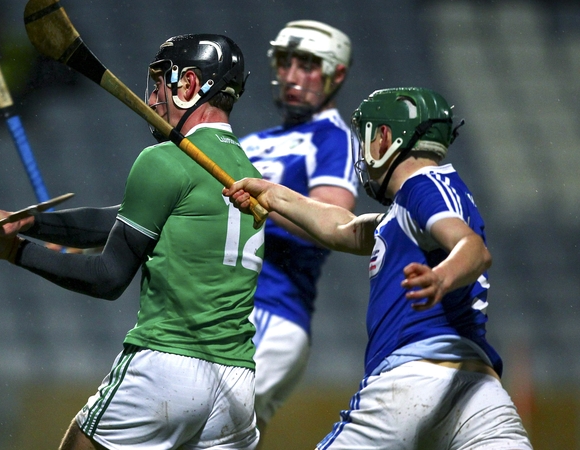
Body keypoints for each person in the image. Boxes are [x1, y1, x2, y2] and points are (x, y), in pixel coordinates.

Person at [0, 34, 264, 450]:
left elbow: (108, 277)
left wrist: (14, 251)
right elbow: (123, 221)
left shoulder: (163, 161)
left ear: (190, 84)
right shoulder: (250, 175)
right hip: (237, 386)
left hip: (167, 366)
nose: (154, 96)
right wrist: (29, 222)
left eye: (161, 82)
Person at [225, 87, 532, 449]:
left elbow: (473, 249)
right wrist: (275, 196)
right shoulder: (408, 210)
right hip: (476, 392)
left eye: (367, 135)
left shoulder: (424, 185)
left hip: (411, 378)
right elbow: (343, 228)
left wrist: (440, 277)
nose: (365, 152)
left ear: (385, 137)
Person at [237, 20, 358, 442]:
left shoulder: (333, 139)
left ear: (336, 74)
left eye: (306, 64)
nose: (290, 75)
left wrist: (264, 201)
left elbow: (335, 221)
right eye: (285, 62)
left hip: (271, 310)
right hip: (229, 307)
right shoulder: (250, 142)